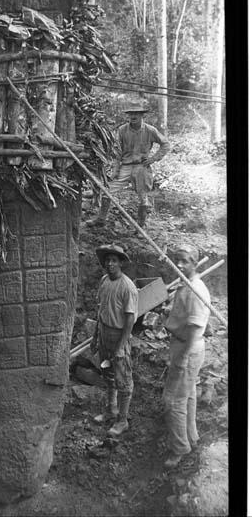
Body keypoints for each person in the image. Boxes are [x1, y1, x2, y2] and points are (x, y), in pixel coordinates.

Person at [162, 244, 211, 469]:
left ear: (194, 263)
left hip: (187, 348)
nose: (179, 265)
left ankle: (179, 448)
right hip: (185, 346)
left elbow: (194, 327)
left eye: (184, 261)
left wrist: (182, 357)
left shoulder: (196, 289)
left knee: (173, 401)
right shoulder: (186, 284)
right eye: (177, 259)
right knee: (188, 395)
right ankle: (192, 436)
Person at [88, 99, 170, 227]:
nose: (133, 116)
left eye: (136, 114)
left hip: (141, 167)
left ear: (142, 115)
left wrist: (153, 159)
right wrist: (115, 169)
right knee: (107, 191)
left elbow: (165, 144)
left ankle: (140, 227)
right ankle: (101, 220)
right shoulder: (122, 130)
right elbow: (117, 152)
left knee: (143, 199)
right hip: (125, 166)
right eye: (131, 113)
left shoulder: (150, 130)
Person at [90, 244, 138, 437]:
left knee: (124, 380)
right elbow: (101, 311)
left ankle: (123, 420)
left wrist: (121, 347)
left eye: (114, 261)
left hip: (120, 336)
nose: (110, 264)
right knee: (107, 374)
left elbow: (130, 320)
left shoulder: (127, 287)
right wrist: (95, 336)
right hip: (104, 333)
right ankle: (111, 409)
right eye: (108, 260)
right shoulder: (104, 281)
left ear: (121, 263)